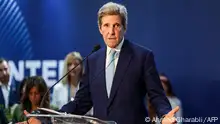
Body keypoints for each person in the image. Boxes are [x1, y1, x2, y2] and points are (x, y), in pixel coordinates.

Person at [24, 2, 179, 124]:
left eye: (116, 25)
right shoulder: (92, 60)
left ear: (124, 27)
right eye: (106, 25)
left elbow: (157, 95)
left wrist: (165, 115)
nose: (111, 31)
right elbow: (81, 102)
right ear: (100, 28)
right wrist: (45, 119)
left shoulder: (142, 56)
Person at [0, 58, 20, 122]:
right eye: (0, 70)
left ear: (10, 69)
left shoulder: (19, 86)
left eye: (5, 69)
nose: (4, 73)